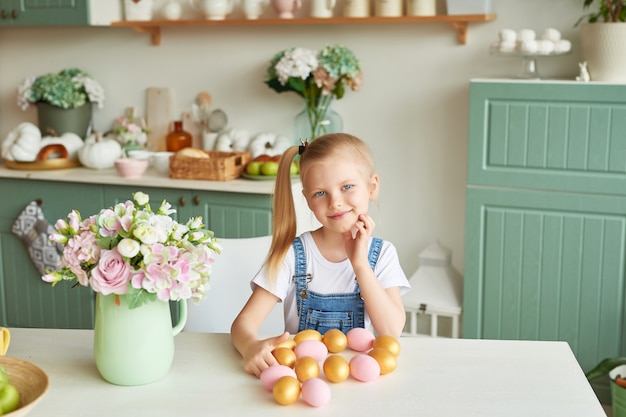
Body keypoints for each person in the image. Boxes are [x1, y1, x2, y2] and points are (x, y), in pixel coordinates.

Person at [230, 133, 410, 377]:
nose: (335, 202)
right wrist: (251, 346)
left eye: (347, 187)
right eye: (320, 193)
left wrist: (359, 264)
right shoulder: (292, 255)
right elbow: (243, 325)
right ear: (307, 199)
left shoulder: (382, 255)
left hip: (358, 381)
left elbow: (391, 331)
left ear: (372, 187)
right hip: (304, 379)